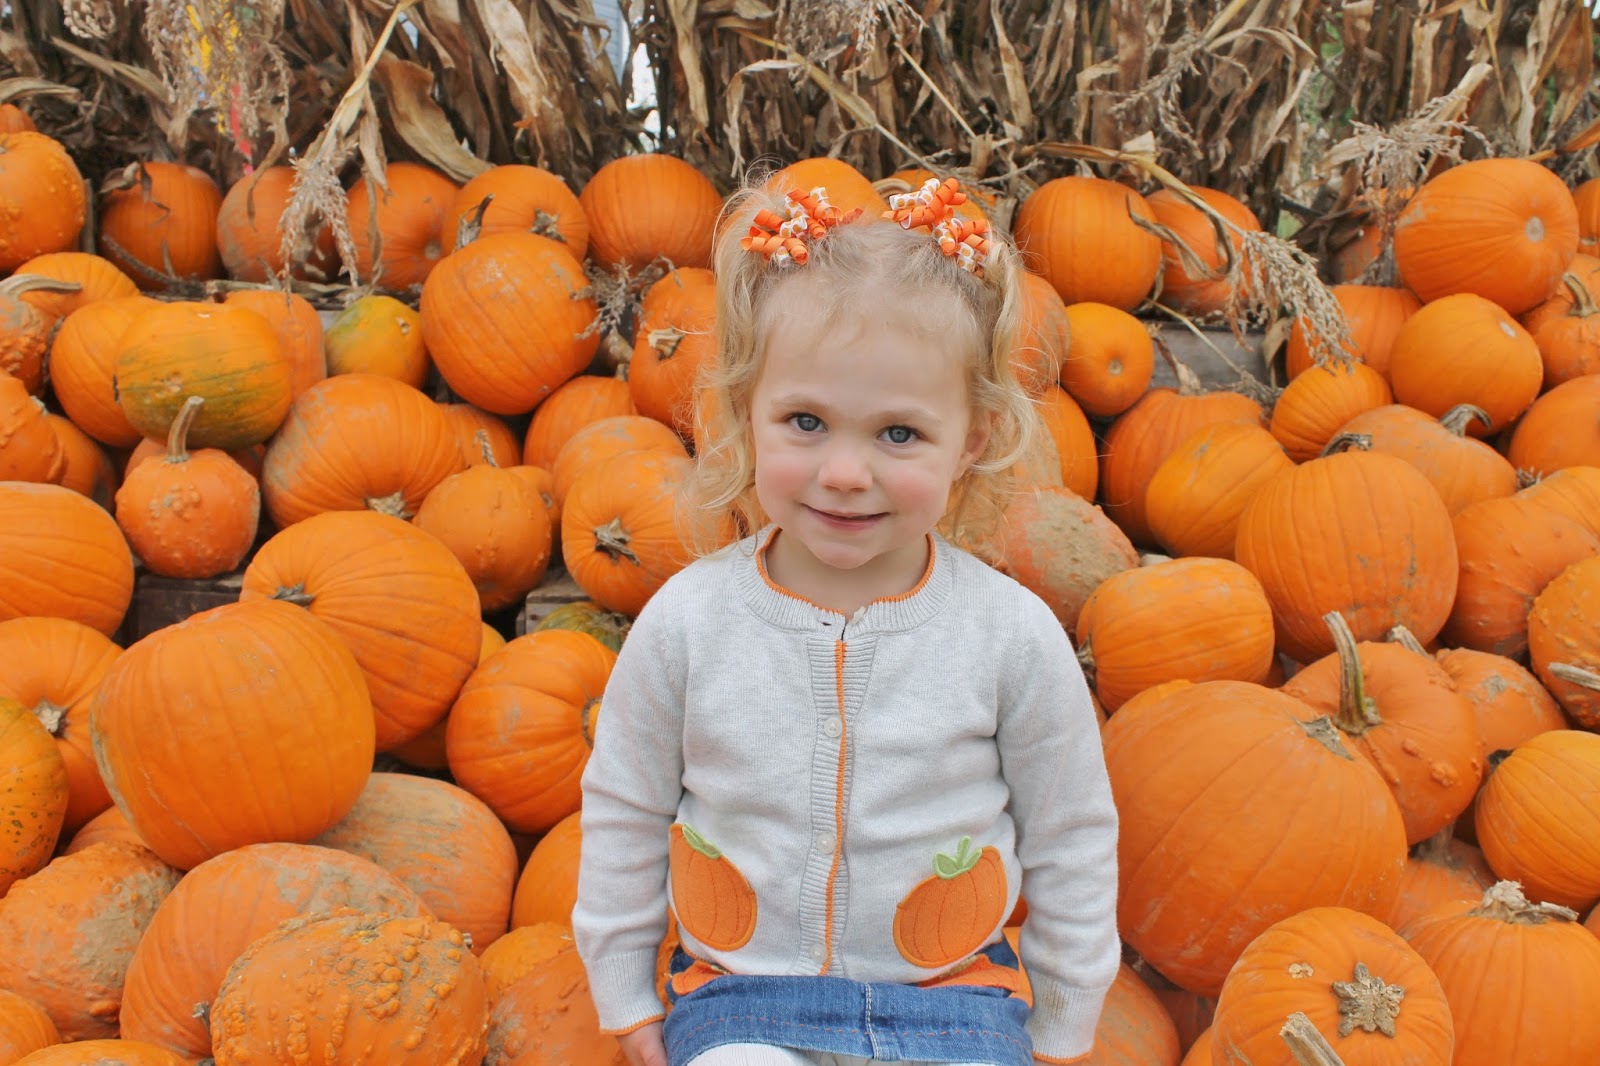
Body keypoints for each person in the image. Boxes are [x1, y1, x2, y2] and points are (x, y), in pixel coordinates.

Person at [573, 175, 1119, 1066]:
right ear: (748, 413)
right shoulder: (688, 622)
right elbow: (627, 809)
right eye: (806, 422)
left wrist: (1063, 1027)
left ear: (972, 438)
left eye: (898, 434)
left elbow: (1070, 834)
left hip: (956, 1003)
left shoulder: (1011, 637)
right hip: (741, 997)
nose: (844, 471)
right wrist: (627, 999)